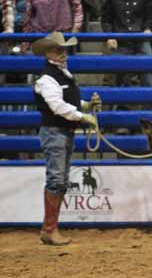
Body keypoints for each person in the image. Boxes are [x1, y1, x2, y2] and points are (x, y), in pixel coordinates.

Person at [32, 31, 101, 245]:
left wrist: (87, 106)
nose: (63, 53)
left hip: (61, 132)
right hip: (55, 132)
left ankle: (51, 228)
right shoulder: (47, 79)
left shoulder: (61, 76)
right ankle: (49, 229)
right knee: (56, 180)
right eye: (58, 50)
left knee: (59, 181)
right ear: (49, 53)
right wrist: (83, 116)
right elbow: (58, 106)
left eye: (64, 49)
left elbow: (65, 102)